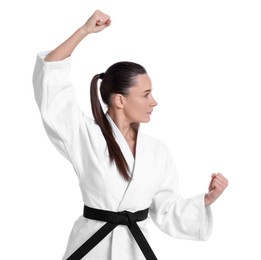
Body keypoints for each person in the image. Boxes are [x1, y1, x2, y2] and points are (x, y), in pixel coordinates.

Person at [33, 9, 228, 260]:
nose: (154, 102)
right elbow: (51, 82)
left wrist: (207, 200)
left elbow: (166, 210)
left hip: (136, 251)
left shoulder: (157, 152)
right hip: (91, 249)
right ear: (120, 100)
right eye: (146, 94)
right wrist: (84, 31)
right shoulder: (86, 137)